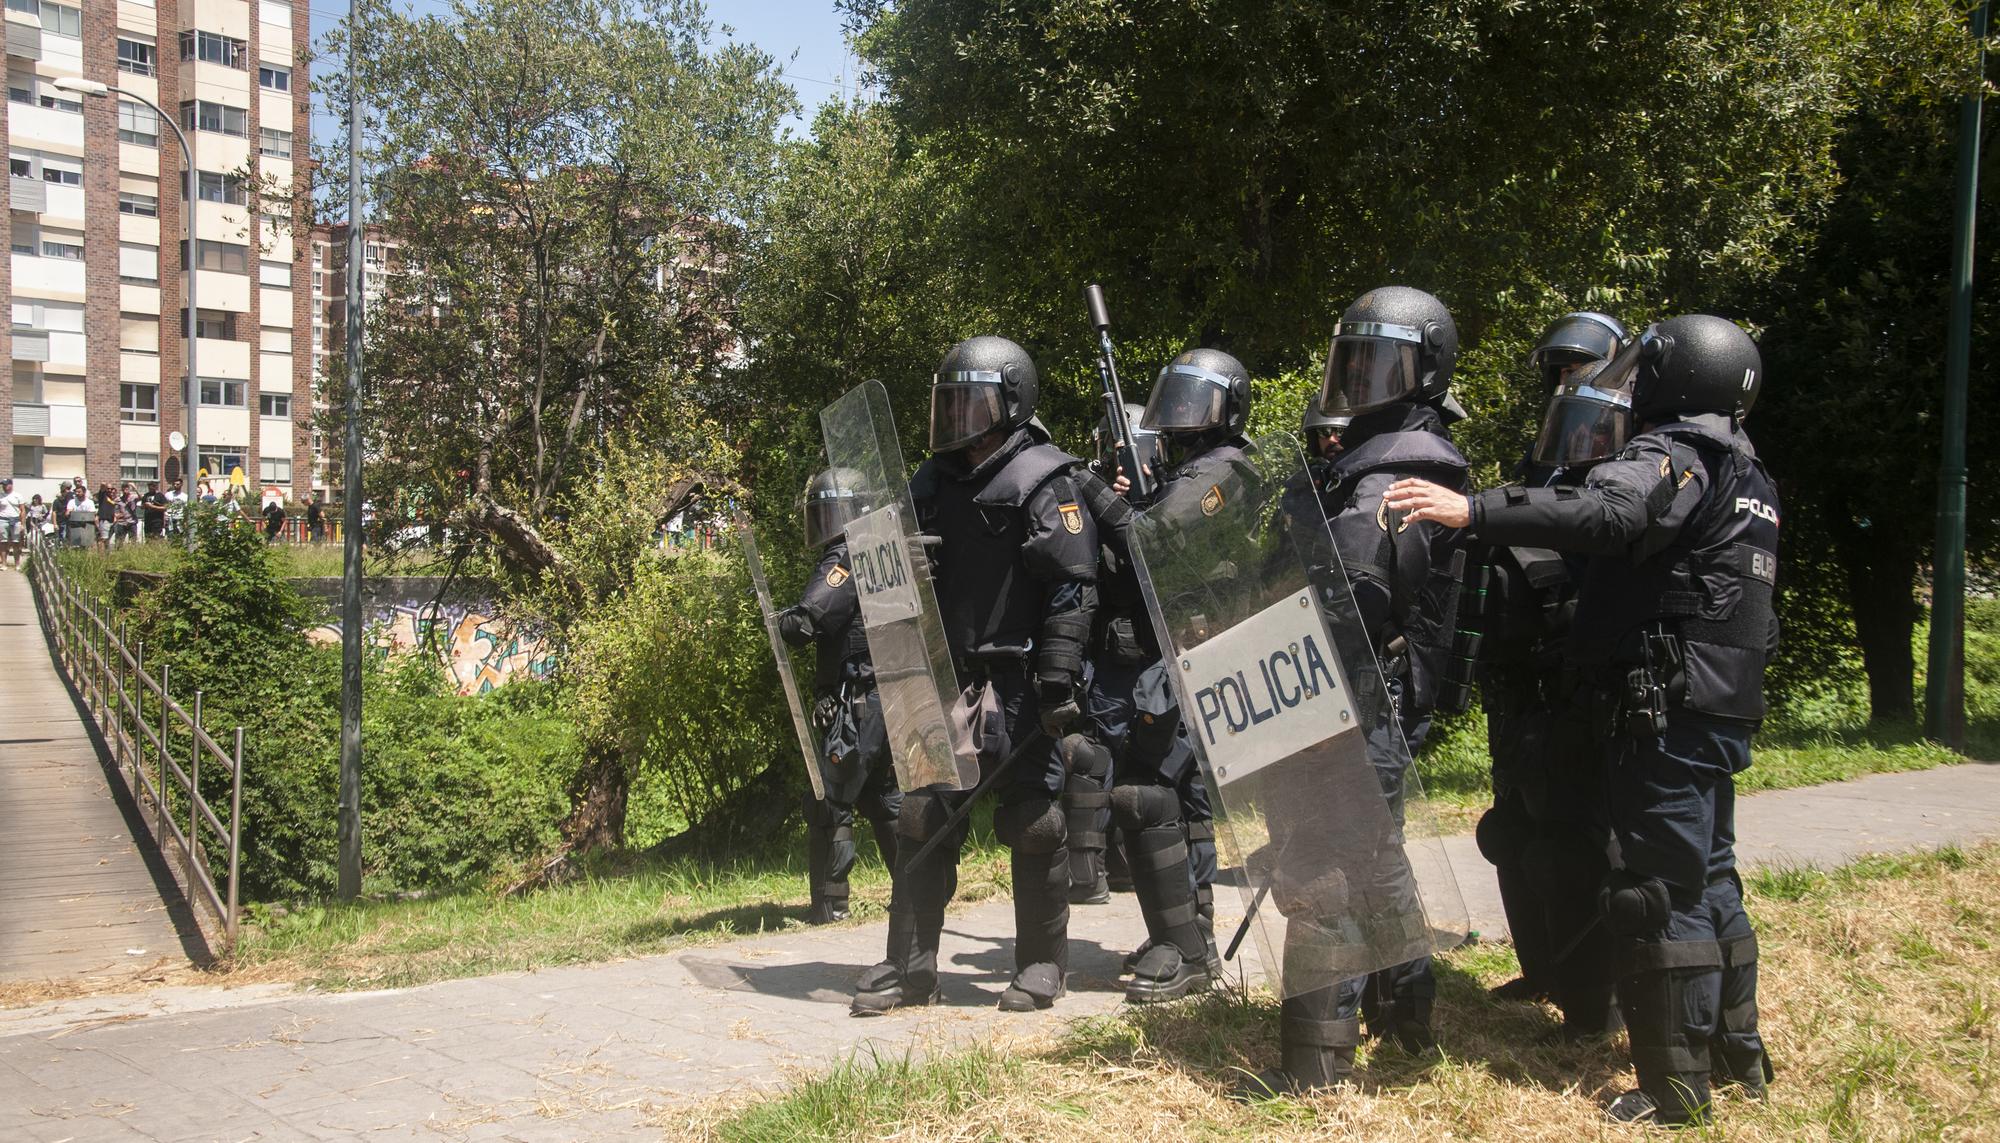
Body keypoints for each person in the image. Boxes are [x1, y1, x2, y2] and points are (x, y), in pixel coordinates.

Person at [1385, 314, 1780, 1126]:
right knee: (1713, 875)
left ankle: (1675, 1086)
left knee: (1658, 890)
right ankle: (1738, 1056)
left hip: (1663, 706)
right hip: (1720, 702)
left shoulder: (1669, 455)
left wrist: (1476, 512)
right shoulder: (1750, 474)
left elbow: (1603, 513)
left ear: (1677, 379)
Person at [1257, 286, 1470, 1094]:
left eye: (1381, 361)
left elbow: (1356, 591)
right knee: (1375, 860)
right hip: (1347, 693)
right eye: (1353, 359)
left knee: (1323, 870)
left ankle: (1314, 1068)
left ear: (1426, 372)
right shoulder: (1363, 459)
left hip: (1355, 694)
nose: (1362, 377)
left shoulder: (1405, 465)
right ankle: (1407, 1011)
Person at [850, 335, 1096, 1016]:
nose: (958, 417)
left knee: (1034, 820)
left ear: (1011, 402)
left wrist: (1058, 679)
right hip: (947, 680)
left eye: (973, 402)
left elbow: (1073, 588)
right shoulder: (929, 482)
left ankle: (1043, 963)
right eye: (950, 403)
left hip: (1019, 679)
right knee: (924, 814)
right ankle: (911, 968)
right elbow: (879, 572)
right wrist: (901, 575)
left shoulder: (1045, 478)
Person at [1469, 312, 1628, 1039]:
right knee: (1511, 832)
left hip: (1580, 684)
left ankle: (1594, 1004)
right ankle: (1544, 971)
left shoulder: (1624, 463)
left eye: (1583, 367)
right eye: (1560, 371)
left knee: (1570, 851)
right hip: (1521, 683)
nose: (1570, 381)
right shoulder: (1546, 458)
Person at [1092, 351, 1260, 1003]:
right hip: (1175, 651)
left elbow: (1158, 538)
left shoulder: (1229, 470)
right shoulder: (1189, 471)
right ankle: (1187, 934)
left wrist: (1105, 500)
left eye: (1199, 402)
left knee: (1152, 790)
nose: (1184, 417)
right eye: (1178, 401)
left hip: (1206, 647)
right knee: (1183, 800)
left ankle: (1186, 948)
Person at [777, 469, 905, 925]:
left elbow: (813, 616)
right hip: (888, 694)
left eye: (830, 511)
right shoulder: (886, 549)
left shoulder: (848, 556)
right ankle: (912, 891)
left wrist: (785, 621)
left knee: (829, 801)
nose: (825, 521)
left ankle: (830, 905)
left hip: (858, 698)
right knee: (882, 798)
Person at [63, 482, 97, 548]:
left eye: (79, 492)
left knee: (86, 546)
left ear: (84, 492)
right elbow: (67, 513)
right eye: (76, 492)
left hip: (87, 526)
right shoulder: (72, 501)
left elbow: (92, 514)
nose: (77, 493)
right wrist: (69, 512)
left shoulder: (90, 502)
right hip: (74, 526)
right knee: (75, 547)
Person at [0, 477, 22, 548]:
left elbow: (23, 510)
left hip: (15, 520)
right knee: (3, 542)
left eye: (5, 485)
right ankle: (3, 559)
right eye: (3, 485)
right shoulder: (0, 495)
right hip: (3, 519)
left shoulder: (18, 495)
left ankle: (17, 559)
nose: (4, 486)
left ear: (11, 485)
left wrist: (23, 524)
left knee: (16, 541)